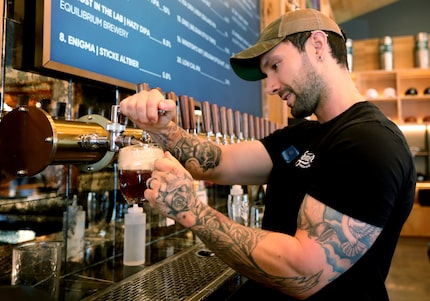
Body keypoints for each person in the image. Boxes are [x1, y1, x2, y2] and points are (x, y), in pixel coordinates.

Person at [119, 9, 416, 301]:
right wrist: (160, 128)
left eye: (275, 66)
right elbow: (219, 163)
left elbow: (302, 272)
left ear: (317, 45)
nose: (271, 87)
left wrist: (191, 211)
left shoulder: (371, 142)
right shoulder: (304, 134)